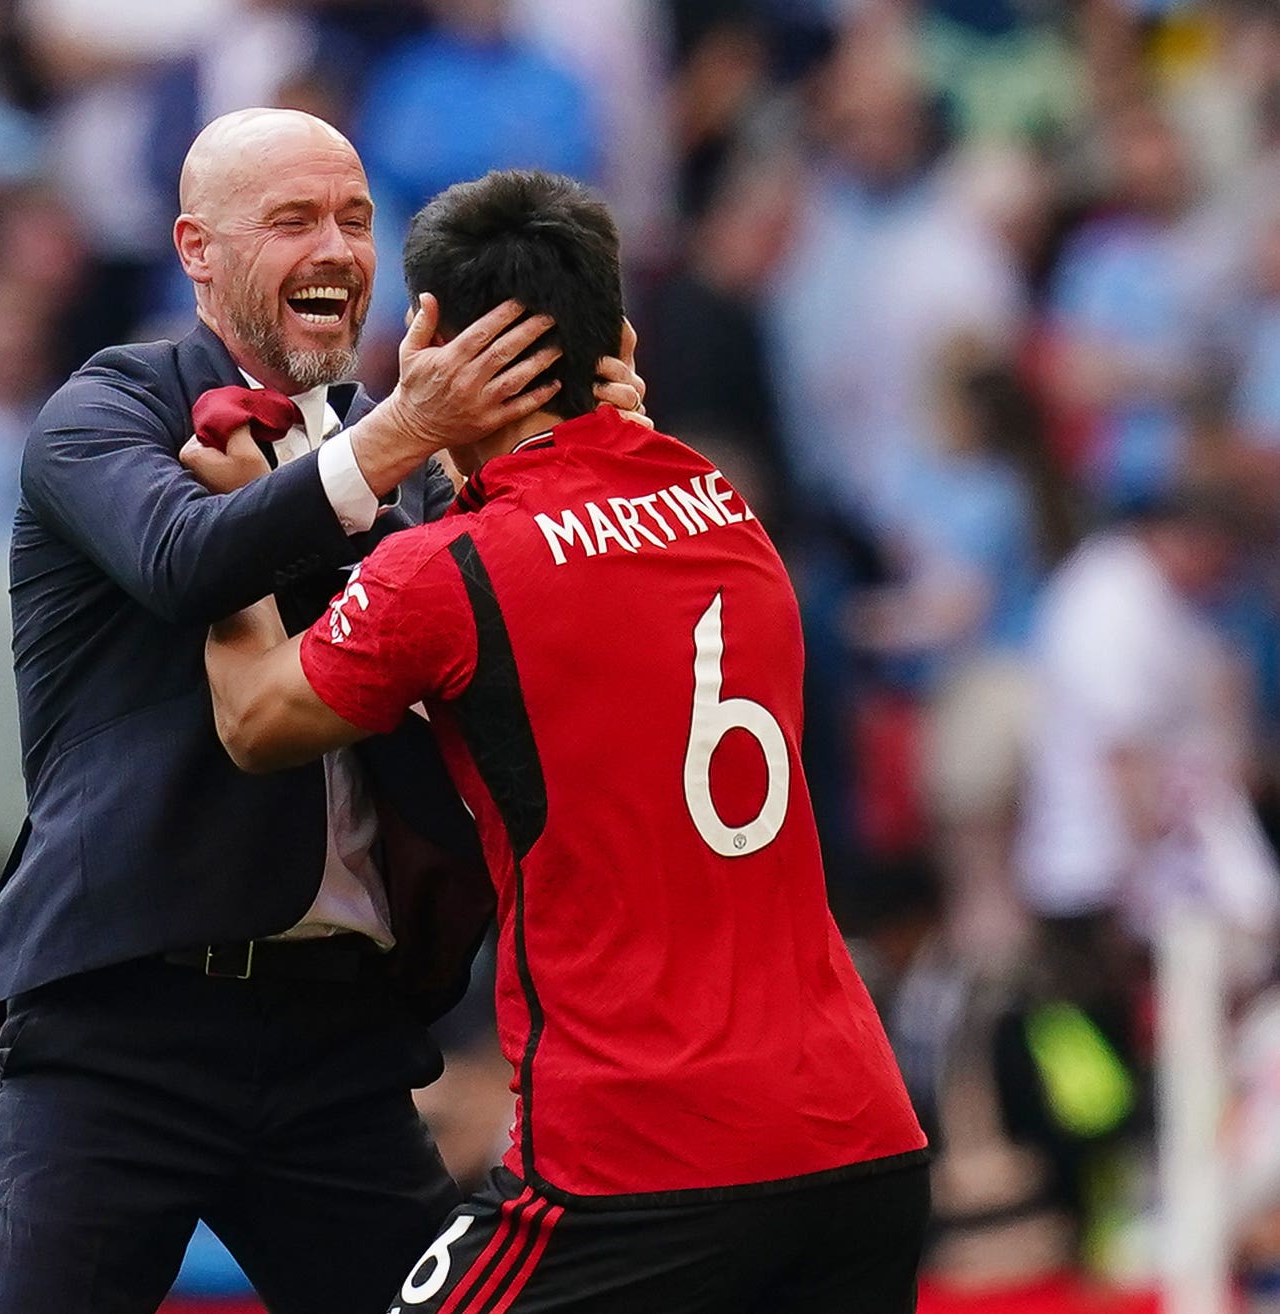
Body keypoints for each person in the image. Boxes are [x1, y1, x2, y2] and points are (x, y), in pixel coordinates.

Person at [202, 169, 929, 1312]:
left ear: (427, 334)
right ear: (620, 340)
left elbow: (254, 721)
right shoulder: (731, 510)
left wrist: (232, 537)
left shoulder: (453, 574)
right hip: (860, 1137)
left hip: (641, 1154)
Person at [0, 107, 646, 1314]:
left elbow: (515, 630)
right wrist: (403, 438)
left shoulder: (406, 474)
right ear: (194, 248)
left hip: (335, 1030)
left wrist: (598, 455)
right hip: (125, 1015)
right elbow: (184, 560)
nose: (335, 247)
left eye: (355, 219)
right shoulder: (105, 411)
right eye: (292, 220)